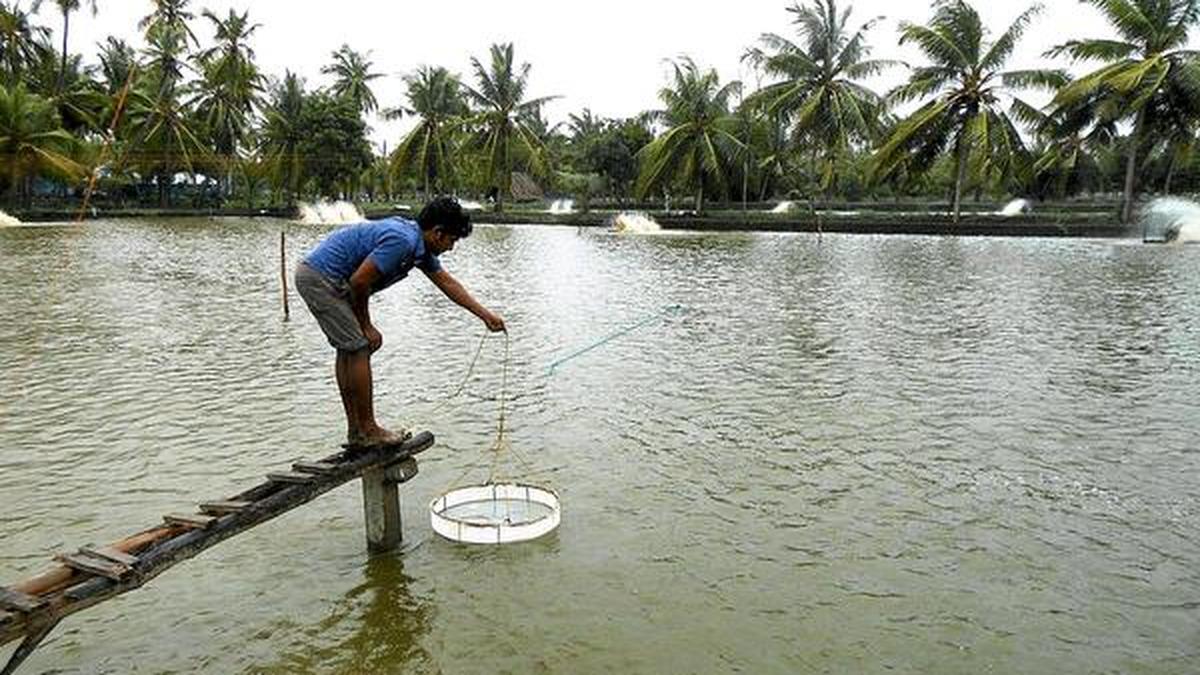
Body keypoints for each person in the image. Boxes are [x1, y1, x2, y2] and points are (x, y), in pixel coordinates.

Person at [295, 197, 506, 448]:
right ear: (437, 232)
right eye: (452, 240)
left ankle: (357, 431)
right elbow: (360, 282)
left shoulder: (418, 245)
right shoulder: (403, 241)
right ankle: (368, 429)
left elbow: (448, 284)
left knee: (350, 348)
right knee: (359, 346)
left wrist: (485, 315)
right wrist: (366, 324)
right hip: (323, 278)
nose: (451, 247)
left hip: (324, 277)